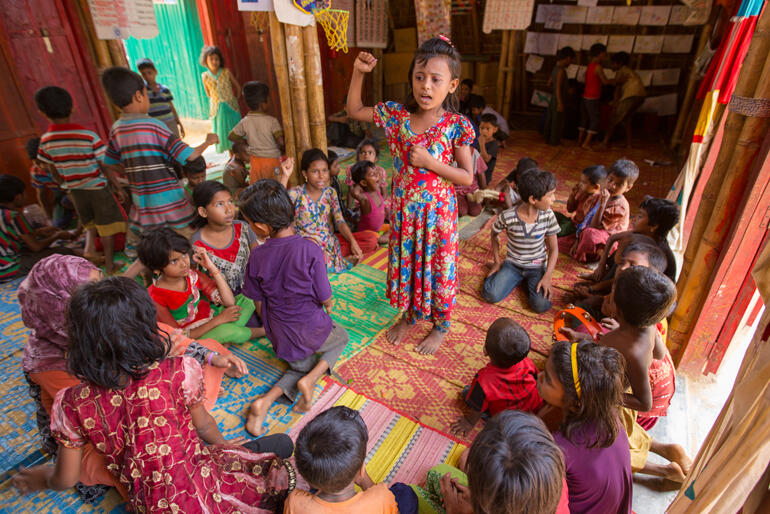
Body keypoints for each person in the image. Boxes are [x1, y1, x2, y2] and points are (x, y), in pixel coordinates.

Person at [12, 277, 295, 512]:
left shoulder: (71, 402)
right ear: (148, 329)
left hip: (148, 505)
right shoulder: (180, 371)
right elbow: (205, 425)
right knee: (280, 446)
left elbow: (66, 477)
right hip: (205, 483)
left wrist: (44, 478)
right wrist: (228, 448)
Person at [347, 37, 475, 355]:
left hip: (439, 217)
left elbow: (467, 176)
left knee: (438, 270)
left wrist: (432, 163)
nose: (426, 86)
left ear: (452, 85)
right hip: (406, 214)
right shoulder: (397, 117)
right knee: (411, 266)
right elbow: (354, 109)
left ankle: (440, 325)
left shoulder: (455, 125)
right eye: (419, 77)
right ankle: (410, 315)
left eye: (436, 79)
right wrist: (358, 72)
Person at [239, 180, 350, 435]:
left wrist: (269, 324)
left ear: (261, 226)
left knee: (299, 363)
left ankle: (263, 403)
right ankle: (310, 380)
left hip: (279, 332)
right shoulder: (309, 248)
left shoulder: (256, 255)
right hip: (310, 326)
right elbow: (325, 295)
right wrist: (328, 307)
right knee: (341, 336)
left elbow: (256, 299)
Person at [564, 267, 691, 482]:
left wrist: (606, 395)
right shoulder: (648, 327)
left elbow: (645, 403)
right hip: (623, 390)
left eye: (611, 297)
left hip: (614, 399)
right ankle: (668, 450)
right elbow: (659, 353)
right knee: (629, 435)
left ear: (620, 312)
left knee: (612, 449)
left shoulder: (630, 348)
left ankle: (664, 471)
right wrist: (580, 336)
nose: (606, 297)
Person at [99, 66, 218, 254]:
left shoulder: (117, 129)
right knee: (189, 244)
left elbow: (110, 162)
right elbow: (189, 156)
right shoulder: (154, 126)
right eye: (146, 94)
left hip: (144, 206)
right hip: (170, 203)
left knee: (156, 249)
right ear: (139, 96)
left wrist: (133, 171)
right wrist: (208, 141)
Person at [34, 86, 126, 274]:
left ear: (42, 112)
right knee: (106, 228)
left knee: (89, 224)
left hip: (75, 192)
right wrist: (118, 186)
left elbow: (49, 167)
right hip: (97, 190)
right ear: (72, 108)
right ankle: (109, 265)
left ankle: (92, 255)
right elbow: (105, 164)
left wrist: (62, 183)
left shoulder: (46, 140)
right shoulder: (87, 136)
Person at [537, 340, 632, 514]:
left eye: (548, 381)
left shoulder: (560, 449)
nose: (540, 376)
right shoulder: (610, 416)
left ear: (575, 404)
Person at [412, 411, 569, 514]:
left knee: (407, 495)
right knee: (438, 473)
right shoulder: (550, 479)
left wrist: (455, 510)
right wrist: (474, 502)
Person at [139, 227, 263, 343]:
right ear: (156, 269)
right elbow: (179, 336)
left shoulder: (192, 275)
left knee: (249, 297)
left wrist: (211, 268)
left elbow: (229, 302)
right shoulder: (155, 296)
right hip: (191, 338)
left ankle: (223, 341)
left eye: (184, 255)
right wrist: (219, 320)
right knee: (228, 331)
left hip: (208, 317)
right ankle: (265, 331)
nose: (184, 263)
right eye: (174, 261)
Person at [287, 406, 414, 513]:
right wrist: (364, 481)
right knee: (405, 493)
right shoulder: (381, 497)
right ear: (361, 470)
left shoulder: (294, 501)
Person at [482, 169, 559, 313]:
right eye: (550, 195)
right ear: (533, 199)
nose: (554, 199)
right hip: (512, 265)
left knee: (541, 305)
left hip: (537, 267)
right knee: (490, 294)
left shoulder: (548, 216)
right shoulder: (507, 216)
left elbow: (554, 249)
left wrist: (547, 277)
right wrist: (498, 261)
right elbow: (494, 234)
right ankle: (512, 277)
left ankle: (525, 281)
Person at [450, 318, 543, 437]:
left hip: (508, 422)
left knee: (467, 392)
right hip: (533, 410)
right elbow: (537, 380)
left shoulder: (483, 380)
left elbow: (477, 409)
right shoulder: (527, 362)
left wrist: (469, 422)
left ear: (485, 351)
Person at [278, 150, 362, 272]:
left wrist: (353, 242)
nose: (321, 176)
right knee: (309, 256)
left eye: (324, 170)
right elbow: (278, 207)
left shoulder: (330, 193)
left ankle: (328, 261)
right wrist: (285, 176)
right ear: (305, 174)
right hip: (305, 246)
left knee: (369, 239)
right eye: (315, 171)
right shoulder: (296, 193)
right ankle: (331, 261)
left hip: (328, 243)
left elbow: (340, 222)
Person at [583, 196, 679, 287]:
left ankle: (601, 289)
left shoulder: (660, 252)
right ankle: (602, 280)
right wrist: (601, 266)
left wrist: (595, 289)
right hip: (627, 276)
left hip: (642, 287)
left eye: (640, 216)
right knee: (623, 253)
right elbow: (612, 238)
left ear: (654, 226)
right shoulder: (640, 233)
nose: (634, 219)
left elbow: (642, 282)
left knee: (628, 258)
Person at [0, 175, 73, 282]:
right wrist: (56, 236)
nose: (27, 195)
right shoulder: (13, 216)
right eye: (25, 193)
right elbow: (36, 247)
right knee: (64, 251)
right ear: (18, 197)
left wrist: (38, 232)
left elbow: (9, 237)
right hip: (8, 269)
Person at [191, 180, 259, 295]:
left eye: (230, 201)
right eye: (219, 204)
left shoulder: (243, 228)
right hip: (222, 299)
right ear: (203, 212)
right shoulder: (197, 243)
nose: (229, 210)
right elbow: (195, 276)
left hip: (253, 289)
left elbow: (258, 259)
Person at [570, 158, 637, 262]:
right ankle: (580, 246)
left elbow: (594, 226)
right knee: (565, 235)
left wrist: (602, 205)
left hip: (606, 242)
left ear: (628, 187)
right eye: (610, 180)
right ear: (606, 177)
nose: (612, 185)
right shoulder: (601, 194)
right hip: (589, 231)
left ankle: (593, 257)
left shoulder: (620, 206)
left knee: (589, 234)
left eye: (619, 184)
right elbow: (586, 218)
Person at [229, 80, 284, 183]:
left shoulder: (245, 122)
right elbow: (280, 142)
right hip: (273, 163)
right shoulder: (272, 121)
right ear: (262, 104)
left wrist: (245, 141)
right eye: (269, 99)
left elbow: (231, 136)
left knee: (258, 189)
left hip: (256, 163)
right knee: (277, 186)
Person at [200, 45, 241, 154]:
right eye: (211, 59)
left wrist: (233, 99)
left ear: (220, 60)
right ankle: (231, 157)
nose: (214, 62)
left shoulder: (226, 72)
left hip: (231, 107)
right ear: (206, 61)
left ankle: (238, 156)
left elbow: (238, 87)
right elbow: (208, 94)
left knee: (235, 131)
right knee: (223, 134)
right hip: (217, 110)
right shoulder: (205, 76)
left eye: (216, 59)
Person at [26, 137, 73, 229]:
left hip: (77, 190)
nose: (42, 166)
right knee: (58, 224)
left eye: (44, 162)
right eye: (37, 163)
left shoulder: (64, 164)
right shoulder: (36, 172)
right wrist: (49, 219)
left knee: (67, 201)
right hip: (60, 193)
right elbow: (42, 196)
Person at [603, 52, 646, 148]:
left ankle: (604, 142)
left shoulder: (622, 71)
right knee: (627, 120)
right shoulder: (630, 71)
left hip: (630, 96)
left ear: (620, 63)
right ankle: (629, 144)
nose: (611, 66)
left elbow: (617, 90)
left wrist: (615, 103)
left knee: (613, 118)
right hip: (641, 96)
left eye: (613, 63)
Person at [136, 58, 184, 137]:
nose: (147, 76)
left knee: (176, 145)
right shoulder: (143, 92)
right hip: (155, 126)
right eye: (143, 74)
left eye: (149, 73)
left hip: (170, 122)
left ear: (155, 72)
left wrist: (178, 122)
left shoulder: (165, 89)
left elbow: (171, 106)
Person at [555, 164, 606, 237]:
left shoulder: (599, 200)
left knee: (556, 232)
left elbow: (587, 221)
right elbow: (570, 209)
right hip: (572, 221)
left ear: (596, 187)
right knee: (552, 215)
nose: (580, 184)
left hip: (578, 227)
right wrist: (573, 195)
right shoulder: (584, 192)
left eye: (584, 182)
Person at [347, 160, 388, 250]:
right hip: (366, 233)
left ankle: (380, 238)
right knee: (373, 239)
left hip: (379, 229)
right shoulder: (364, 198)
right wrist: (359, 184)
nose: (377, 175)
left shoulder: (377, 190)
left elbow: (384, 191)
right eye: (373, 175)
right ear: (364, 183)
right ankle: (378, 240)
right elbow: (354, 192)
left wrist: (375, 176)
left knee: (394, 226)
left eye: (377, 172)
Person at [578, 43, 611, 150]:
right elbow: (605, 82)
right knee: (595, 120)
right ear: (600, 54)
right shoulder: (598, 67)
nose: (605, 56)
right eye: (604, 54)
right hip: (593, 97)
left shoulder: (589, 66)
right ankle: (586, 143)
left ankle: (579, 141)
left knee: (584, 119)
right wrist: (616, 80)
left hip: (585, 96)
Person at [545, 47, 575, 147]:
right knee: (557, 122)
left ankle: (549, 140)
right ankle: (554, 142)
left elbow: (549, 83)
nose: (570, 63)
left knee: (552, 120)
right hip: (558, 99)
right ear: (567, 58)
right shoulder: (561, 71)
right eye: (571, 60)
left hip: (553, 98)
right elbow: (557, 87)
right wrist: (560, 102)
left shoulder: (555, 69)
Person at [345, 137, 388, 207]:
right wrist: (349, 208)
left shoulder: (380, 171)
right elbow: (350, 192)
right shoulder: (351, 169)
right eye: (363, 152)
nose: (366, 155)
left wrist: (378, 205)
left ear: (376, 158)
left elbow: (384, 193)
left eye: (370, 153)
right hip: (361, 200)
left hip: (377, 200)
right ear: (358, 156)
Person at [455, 148, 488, 217]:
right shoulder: (451, 154)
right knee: (462, 211)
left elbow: (482, 175)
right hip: (457, 191)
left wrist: (484, 193)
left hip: (472, 190)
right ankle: (460, 199)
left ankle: (466, 200)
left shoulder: (475, 153)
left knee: (476, 211)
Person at [477, 113, 499, 183]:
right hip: (475, 171)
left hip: (484, 176)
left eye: (487, 129)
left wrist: (482, 145)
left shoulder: (494, 144)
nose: (484, 131)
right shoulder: (479, 140)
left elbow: (486, 159)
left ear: (495, 130)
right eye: (482, 128)